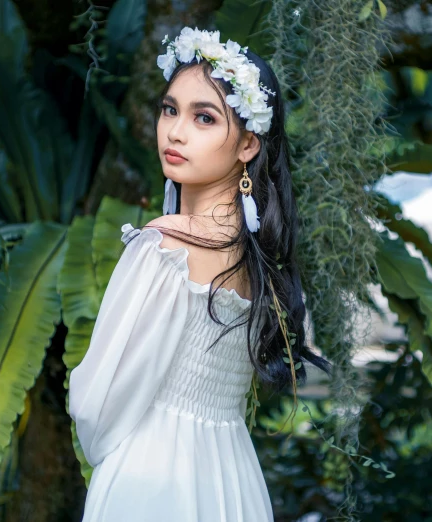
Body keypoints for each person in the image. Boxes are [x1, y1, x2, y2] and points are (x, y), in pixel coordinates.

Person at [68, 26, 332, 521]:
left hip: (151, 479)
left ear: (248, 144)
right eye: (170, 109)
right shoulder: (256, 256)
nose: (175, 131)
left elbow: (93, 405)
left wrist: (108, 460)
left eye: (204, 117)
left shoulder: (165, 243)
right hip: (232, 480)